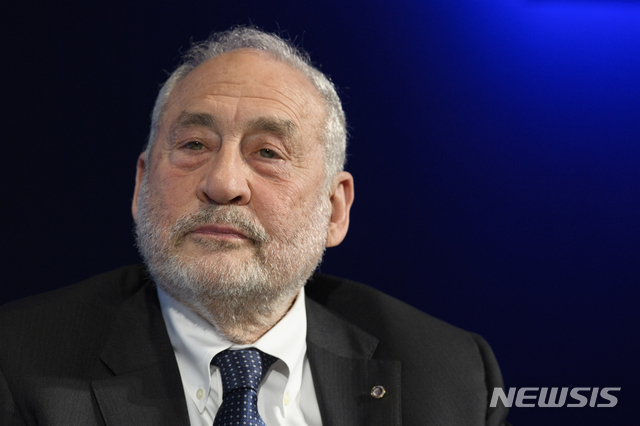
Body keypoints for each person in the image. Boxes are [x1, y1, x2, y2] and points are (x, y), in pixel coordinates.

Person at [0, 27, 510, 425]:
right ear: (141, 185)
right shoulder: (16, 364)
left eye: (268, 153)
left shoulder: (451, 375)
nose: (223, 184)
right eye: (194, 145)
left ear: (335, 209)